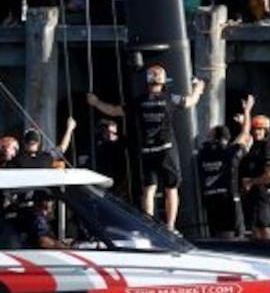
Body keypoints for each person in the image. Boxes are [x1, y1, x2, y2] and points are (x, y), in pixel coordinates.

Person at [86, 64, 205, 232]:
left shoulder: (138, 101)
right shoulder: (170, 98)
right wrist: (198, 89)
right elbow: (190, 101)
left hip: (147, 150)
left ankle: (149, 226)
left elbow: (114, 111)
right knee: (171, 188)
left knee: (149, 189)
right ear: (163, 82)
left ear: (147, 83)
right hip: (166, 150)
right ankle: (170, 226)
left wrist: (95, 102)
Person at [198, 95, 255, 238]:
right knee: (236, 236)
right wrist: (247, 112)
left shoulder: (203, 152)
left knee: (216, 235)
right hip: (228, 199)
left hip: (210, 200)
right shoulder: (230, 152)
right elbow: (245, 135)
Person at [241, 109, 270, 241]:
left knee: (263, 225)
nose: (257, 132)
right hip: (254, 192)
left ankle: (269, 253)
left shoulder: (267, 146)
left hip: (262, 192)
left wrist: (251, 182)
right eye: (255, 129)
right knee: (255, 226)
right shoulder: (255, 145)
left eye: (260, 129)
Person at [12, 117, 77, 168]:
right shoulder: (47, 157)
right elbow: (62, 148)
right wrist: (69, 129)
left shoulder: (16, 159)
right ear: (38, 143)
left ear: (24, 143)